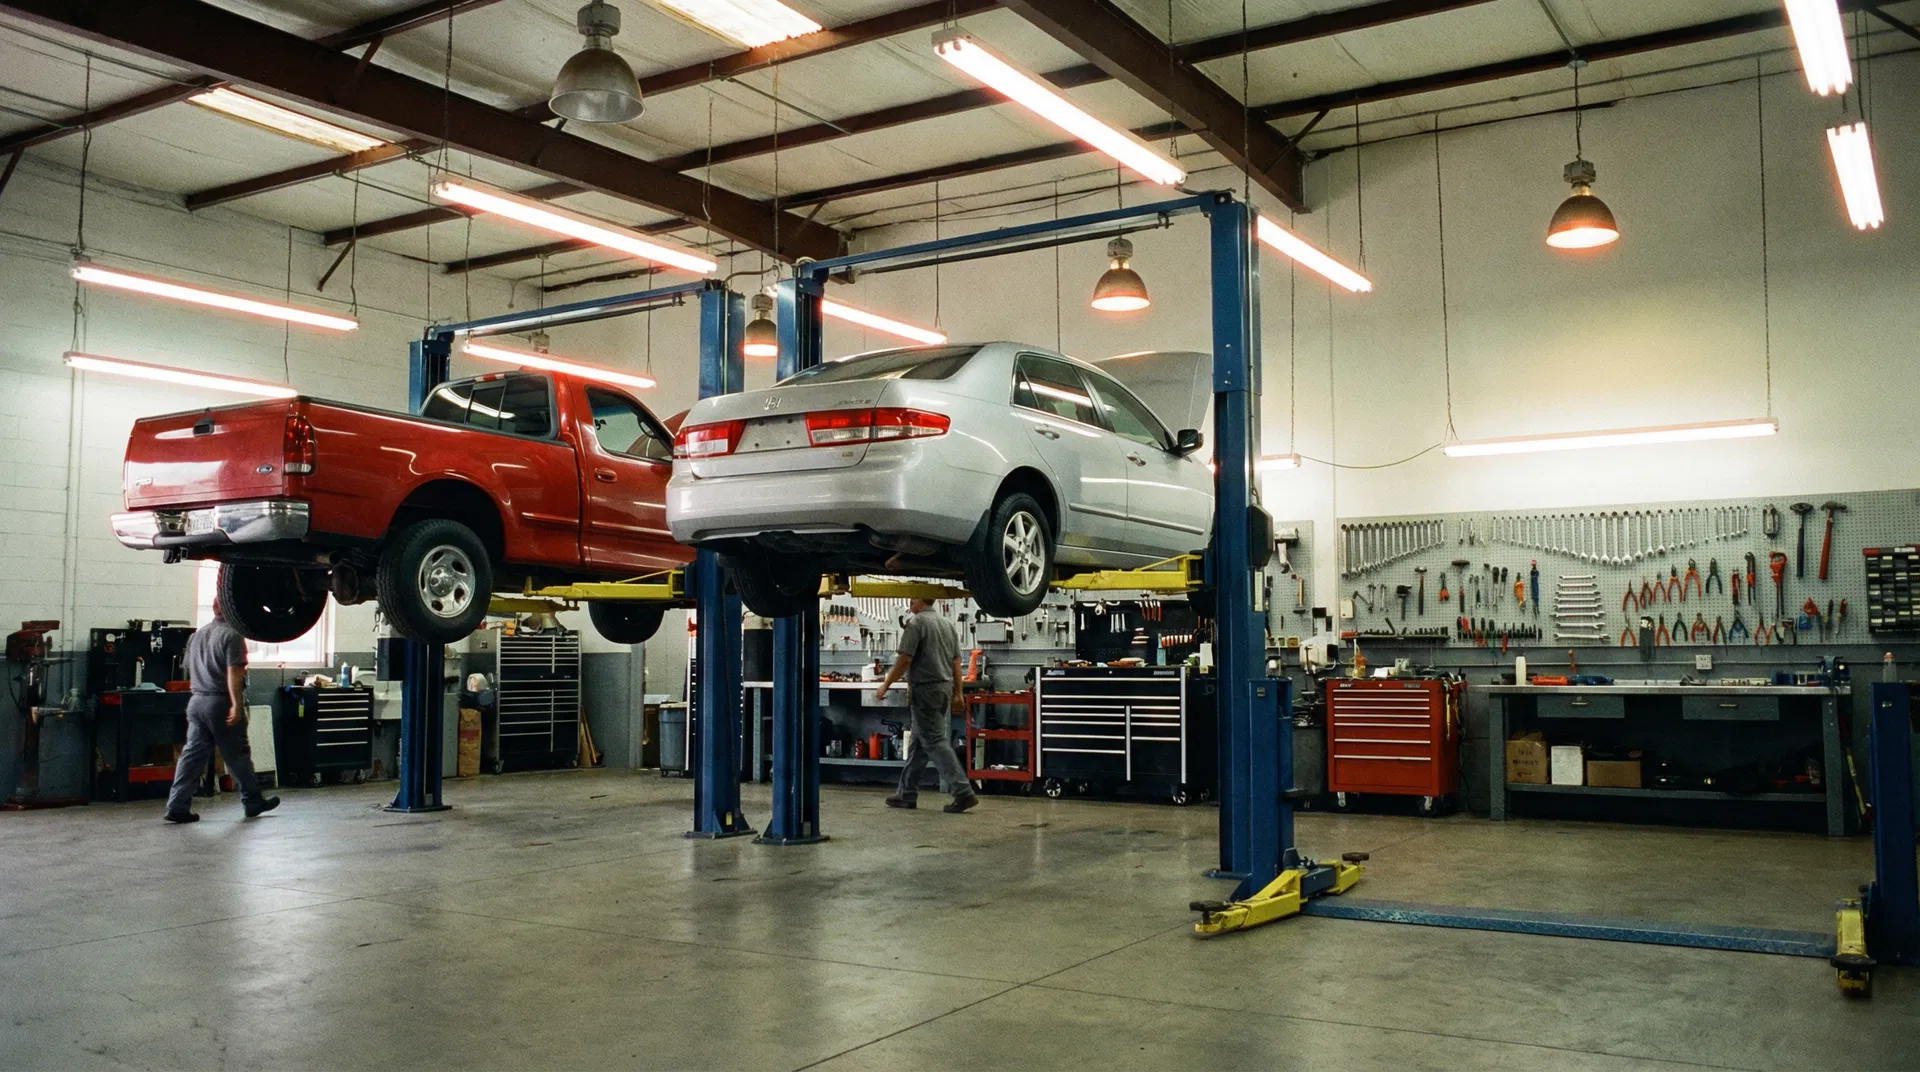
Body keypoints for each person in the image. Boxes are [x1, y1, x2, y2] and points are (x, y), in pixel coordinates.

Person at [164, 609, 279, 823]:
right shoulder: (232, 635)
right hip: (220, 702)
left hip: (197, 701)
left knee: (192, 756)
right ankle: (252, 800)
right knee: (237, 754)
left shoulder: (197, 635)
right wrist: (235, 704)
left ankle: (177, 805)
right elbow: (233, 673)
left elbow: (188, 668)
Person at [875, 597, 977, 814]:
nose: (909, 601)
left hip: (925, 691)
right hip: (943, 690)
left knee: (935, 741)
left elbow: (905, 659)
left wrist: (885, 685)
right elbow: (956, 663)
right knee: (919, 744)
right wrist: (958, 693)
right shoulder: (947, 624)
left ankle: (962, 791)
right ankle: (906, 793)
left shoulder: (916, 623)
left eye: (912, 597)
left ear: (920, 600)